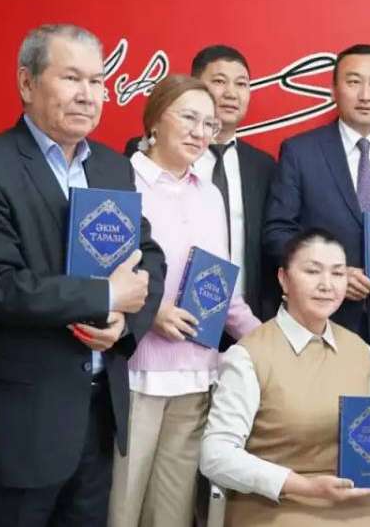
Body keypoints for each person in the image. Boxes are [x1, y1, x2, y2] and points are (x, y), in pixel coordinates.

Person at [0, 24, 165, 527]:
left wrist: (122, 323)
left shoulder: (110, 167)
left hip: (95, 422)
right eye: (71, 78)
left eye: (98, 81)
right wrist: (104, 294)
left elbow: (148, 257)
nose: (88, 95)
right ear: (27, 83)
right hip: (13, 433)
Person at [108, 74, 261, 527]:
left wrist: (271, 341)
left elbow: (223, 293)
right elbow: (95, 274)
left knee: (171, 514)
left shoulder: (210, 195)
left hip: (196, 375)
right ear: (155, 119)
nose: (200, 132)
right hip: (135, 372)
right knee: (121, 508)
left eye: (209, 124)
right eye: (189, 118)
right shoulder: (119, 180)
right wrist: (150, 312)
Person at [200, 228, 370, 527]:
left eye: (337, 274)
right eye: (312, 271)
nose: (326, 285)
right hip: (269, 502)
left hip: (351, 502)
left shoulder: (362, 353)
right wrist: (303, 485)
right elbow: (215, 454)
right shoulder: (249, 354)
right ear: (283, 279)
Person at [263, 44, 370, 399]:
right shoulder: (300, 151)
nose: (366, 94)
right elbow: (278, 232)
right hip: (317, 327)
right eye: (354, 82)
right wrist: (332, 274)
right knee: (310, 441)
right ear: (334, 89)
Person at [188, 46, 279, 320]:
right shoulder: (168, 157)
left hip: (247, 319)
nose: (231, 93)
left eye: (241, 84)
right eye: (219, 81)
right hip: (178, 319)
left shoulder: (264, 167)